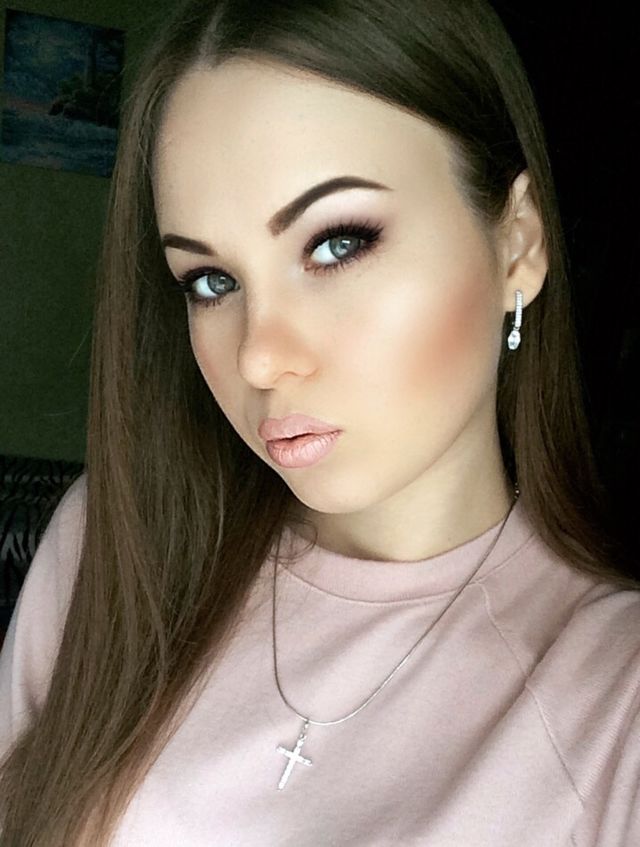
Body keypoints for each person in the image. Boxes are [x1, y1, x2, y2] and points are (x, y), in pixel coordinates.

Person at [1, 0, 638, 844]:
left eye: (337, 243)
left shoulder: (614, 700)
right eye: (211, 281)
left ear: (517, 242)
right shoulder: (112, 546)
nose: (260, 357)